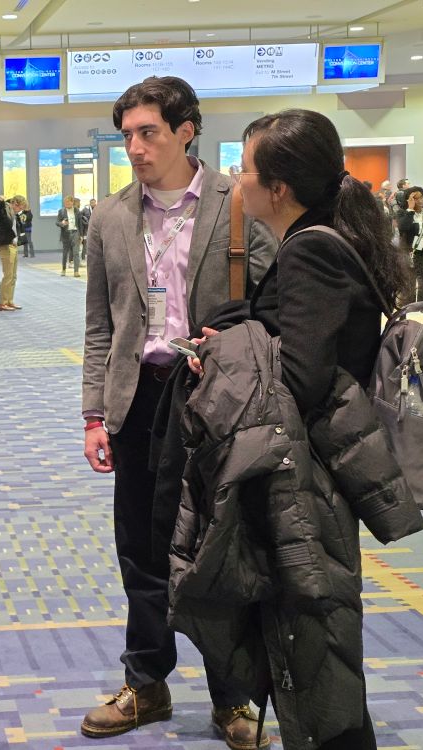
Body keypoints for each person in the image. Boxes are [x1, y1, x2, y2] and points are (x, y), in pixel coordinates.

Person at [80, 76, 277, 749]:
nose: (134, 147)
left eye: (148, 133)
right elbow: (100, 328)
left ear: (186, 130)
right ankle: (147, 682)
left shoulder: (240, 204)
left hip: (216, 399)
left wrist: (240, 336)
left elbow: (275, 305)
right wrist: (92, 415)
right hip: (139, 400)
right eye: (127, 135)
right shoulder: (109, 216)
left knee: (221, 549)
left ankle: (232, 696)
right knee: (140, 548)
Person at [218, 107, 415, 750]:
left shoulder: (310, 253)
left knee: (316, 642)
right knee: (311, 639)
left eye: (245, 170)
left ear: (278, 189)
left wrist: (230, 354)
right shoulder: (321, 239)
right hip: (316, 470)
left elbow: (298, 382)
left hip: (312, 478)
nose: (236, 181)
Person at [398, 186, 423, 311]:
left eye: (422, 197)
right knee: (407, 289)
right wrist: (410, 209)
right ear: (410, 199)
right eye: (417, 198)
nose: (421, 200)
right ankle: (404, 320)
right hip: (409, 255)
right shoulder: (403, 214)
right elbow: (403, 228)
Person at [0, 194, 24, 311]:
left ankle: (9, 301)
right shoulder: (3, 208)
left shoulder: (14, 213)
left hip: (13, 245)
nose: (21, 210)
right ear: (15, 203)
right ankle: (2, 303)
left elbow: (15, 228)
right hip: (5, 245)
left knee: (13, 276)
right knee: (8, 275)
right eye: (20, 207)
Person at [56, 195, 81, 276]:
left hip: (75, 232)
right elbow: (57, 222)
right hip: (65, 234)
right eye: (65, 203)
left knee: (76, 253)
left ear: (72, 202)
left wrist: (81, 235)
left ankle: (76, 271)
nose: (66, 204)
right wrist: (62, 223)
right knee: (65, 253)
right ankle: (63, 269)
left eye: (68, 202)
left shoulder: (77, 211)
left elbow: (80, 224)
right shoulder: (61, 211)